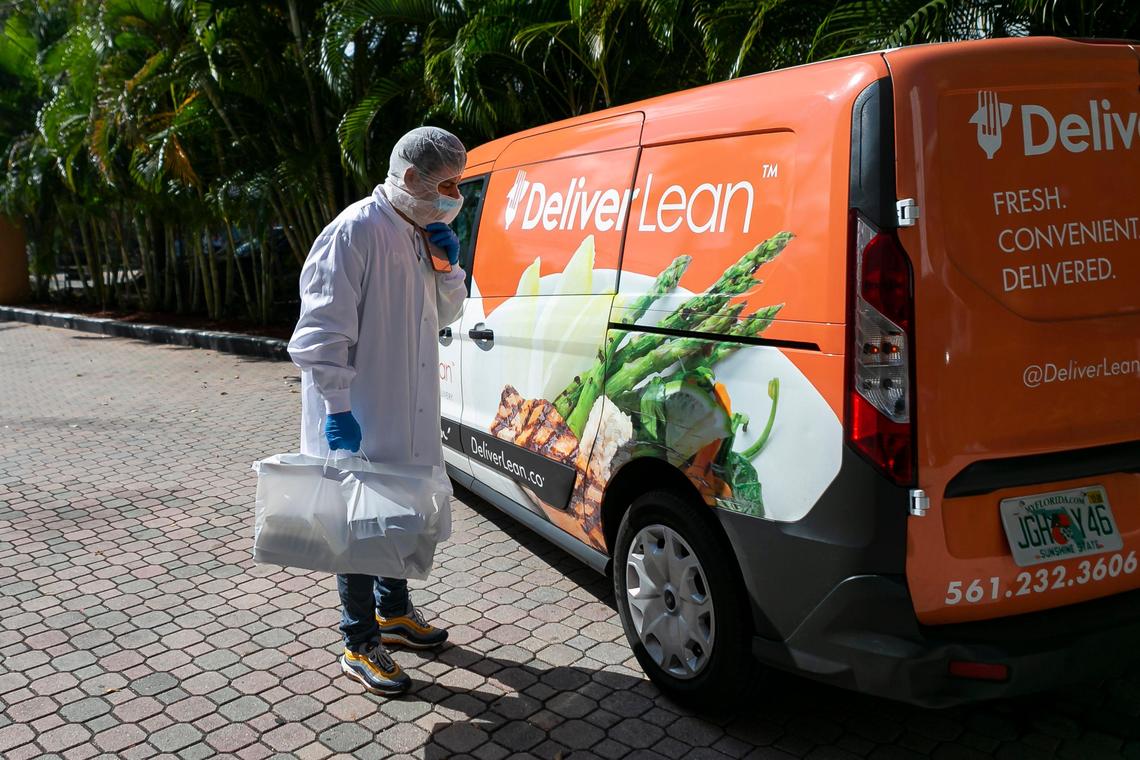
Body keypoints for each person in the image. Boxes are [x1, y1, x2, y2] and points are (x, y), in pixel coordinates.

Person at [287, 127, 468, 696]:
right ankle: (359, 640)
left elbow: (446, 315)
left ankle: (394, 613)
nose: (455, 195)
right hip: (361, 412)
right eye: (447, 183)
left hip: (407, 408)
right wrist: (337, 409)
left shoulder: (419, 233)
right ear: (411, 177)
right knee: (359, 525)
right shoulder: (354, 231)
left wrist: (448, 268)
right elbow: (321, 334)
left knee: (397, 514)